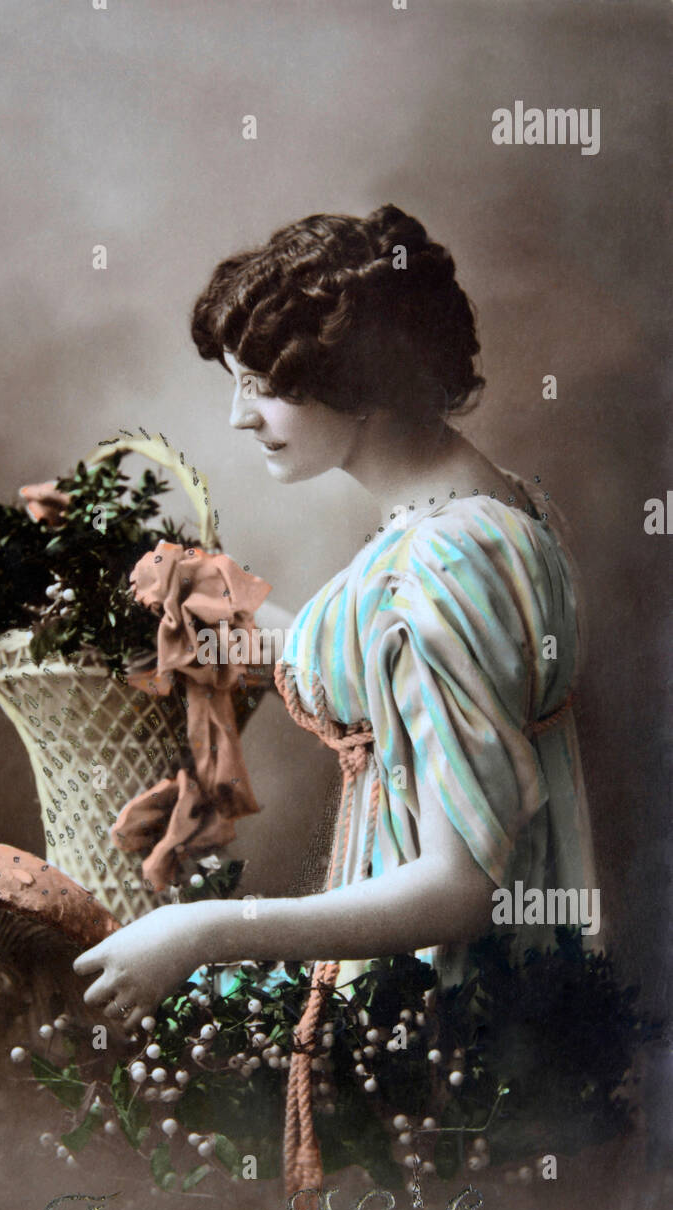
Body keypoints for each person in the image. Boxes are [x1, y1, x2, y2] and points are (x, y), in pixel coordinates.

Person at [73, 203, 597, 1040]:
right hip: (470, 985)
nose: (239, 418)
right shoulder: (489, 509)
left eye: (263, 386)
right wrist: (217, 602)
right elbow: (376, 653)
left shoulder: (450, 562)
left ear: (363, 380)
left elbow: (460, 888)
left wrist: (203, 934)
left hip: (447, 1016)